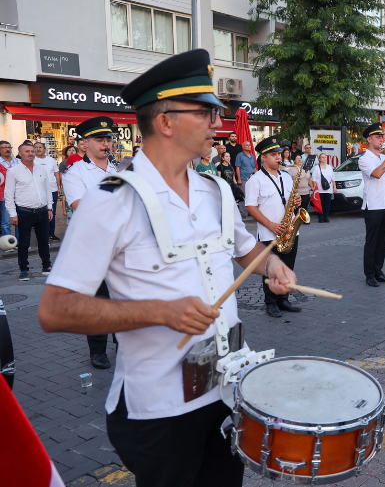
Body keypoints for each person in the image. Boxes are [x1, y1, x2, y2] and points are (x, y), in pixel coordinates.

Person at [37, 49, 296, 487]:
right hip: (159, 408)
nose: (217, 121)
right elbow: (54, 310)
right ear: (166, 121)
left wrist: (271, 265)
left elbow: (245, 249)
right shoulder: (110, 199)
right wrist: (160, 311)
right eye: (205, 111)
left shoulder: (215, 189)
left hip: (225, 390)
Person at [62, 117, 121, 368]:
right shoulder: (75, 173)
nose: (105, 144)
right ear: (85, 144)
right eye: (99, 140)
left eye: (108, 139)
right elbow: (81, 206)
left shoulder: (119, 169)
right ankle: (97, 351)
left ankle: (125, 344)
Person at [244, 137, 304, 317]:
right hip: (268, 233)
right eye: (274, 155)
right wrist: (270, 224)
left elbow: (290, 200)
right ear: (263, 157)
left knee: (287, 267)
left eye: (279, 154)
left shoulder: (286, 176)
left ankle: (283, 299)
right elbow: (250, 207)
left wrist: (297, 202)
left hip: (290, 230)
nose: (279, 158)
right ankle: (271, 303)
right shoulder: (255, 180)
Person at [359, 123, 385, 287]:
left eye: (382, 137)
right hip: (373, 206)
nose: (381, 140)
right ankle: (369, 274)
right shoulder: (364, 159)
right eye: (378, 137)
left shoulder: (384, 157)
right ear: (369, 140)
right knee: (372, 241)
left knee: (383, 241)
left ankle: (378, 271)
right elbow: (377, 173)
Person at [5, 141, 53, 281]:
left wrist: (49, 207)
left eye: (32, 151)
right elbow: (9, 195)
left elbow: (48, 190)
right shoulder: (13, 171)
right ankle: (24, 270)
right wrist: (13, 214)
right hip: (24, 212)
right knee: (24, 243)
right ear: (20, 154)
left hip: (43, 211)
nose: (31, 153)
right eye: (27, 151)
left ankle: (47, 266)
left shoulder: (41, 169)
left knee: (44, 241)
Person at [33, 142, 62, 241]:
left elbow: (56, 174)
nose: (38, 149)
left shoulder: (51, 160)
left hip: (52, 189)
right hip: (38, 190)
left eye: (40, 147)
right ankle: (41, 234)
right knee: (39, 213)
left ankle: (51, 233)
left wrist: (59, 187)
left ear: (45, 149)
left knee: (52, 212)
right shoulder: (32, 160)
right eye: (36, 147)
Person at [0, 140, 19, 237]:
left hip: (19, 195)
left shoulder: (18, 161)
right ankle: (8, 243)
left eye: (9, 147)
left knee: (20, 220)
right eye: (4, 147)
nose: (7, 149)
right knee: (6, 221)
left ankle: (20, 243)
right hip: (4, 196)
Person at [310, 153, 335, 222]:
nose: (324, 159)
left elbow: (333, 178)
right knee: (320, 203)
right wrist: (314, 188)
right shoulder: (316, 167)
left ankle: (326, 217)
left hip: (328, 189)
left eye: (325, 157)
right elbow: (313, 179)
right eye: (322, 157)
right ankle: (320, 217)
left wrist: (334, 187)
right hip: (319, 189)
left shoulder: (329, 167)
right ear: (319, 159)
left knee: (327, 204)